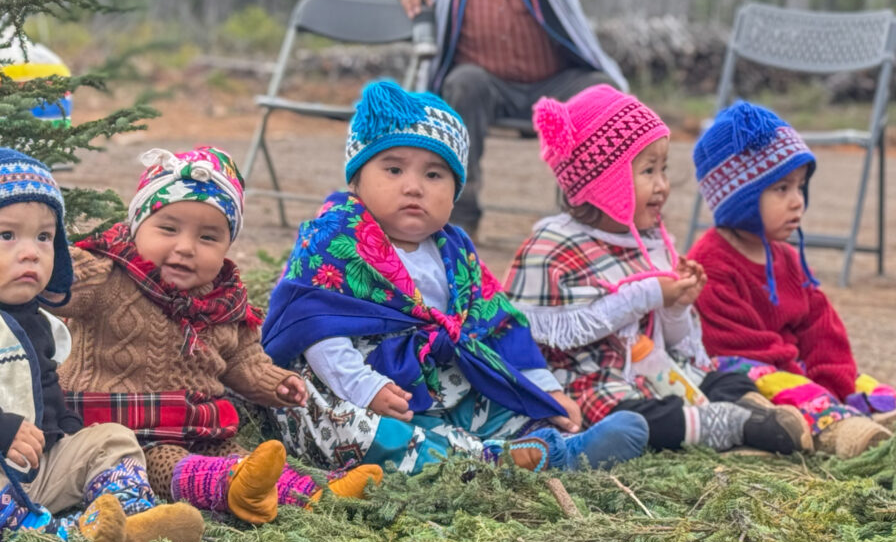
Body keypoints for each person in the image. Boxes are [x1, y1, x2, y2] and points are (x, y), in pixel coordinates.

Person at [261, 80, 649, 475]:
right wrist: (366, 387)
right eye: (393, 169)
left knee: (499, 392)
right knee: (355, 427)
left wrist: (545, 387)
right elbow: (314, 327)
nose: (413, 187)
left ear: (455, 191)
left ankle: (554, 447)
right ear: (356, 180)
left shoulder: (455, 249)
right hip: (357, 382)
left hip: (440, 382)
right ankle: (483, 461)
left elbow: (496, 323)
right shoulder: (335, 237)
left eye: (434, 176)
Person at [0, 148, 203, 542]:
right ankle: (45, 536)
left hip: (31, 470)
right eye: (7, 235)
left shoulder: (30, 315)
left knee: (111, 438)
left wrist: (65, 438)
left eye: (44, 237)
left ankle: (127, 518)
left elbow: (45, 391)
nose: (30, 251)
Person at [52, 146, 382, 525]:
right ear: (136, 226)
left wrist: (276, 384)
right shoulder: (109, 276)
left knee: (236, 453)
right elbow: (59, 284)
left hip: (198, 425)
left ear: (227, 247)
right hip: (120, 431)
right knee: (166, 462)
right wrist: (48, 255)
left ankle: (312, 493)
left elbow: (243, 359)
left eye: (208, 238)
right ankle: (227, 490)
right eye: (168, 229)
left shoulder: (224, 302)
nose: (185, 247)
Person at [503, 85, 812, 455]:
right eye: (648, 170)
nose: (663, 186)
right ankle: (733, 425)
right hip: (592, 380)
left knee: (720, 377)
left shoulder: (648, 243)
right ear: (604, 179)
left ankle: (755, 412)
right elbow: (568, 332)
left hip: (653, 370)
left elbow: (676, 339)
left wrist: (676, 305)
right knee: (642, 418)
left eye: (663, 169)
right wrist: (651, 293)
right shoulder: (553, 245)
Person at [689, 101, 894, 459]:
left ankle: (870, 410)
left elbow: (819, 323)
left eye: (800, 187)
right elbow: (732, 343)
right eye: (781, 189)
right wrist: (805, 379)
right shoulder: (710, 263)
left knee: (863, 384)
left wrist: (833, 378)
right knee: (779, 385)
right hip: (740, 372)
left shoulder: (784, 257)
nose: (798, 202)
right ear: (740, 198)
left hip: (790, 367)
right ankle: (837, 429)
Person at [393, 0, 626, 236]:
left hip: (555, 82)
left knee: (601, 93)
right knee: (464, 84)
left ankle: (585, 217)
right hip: (488, 86)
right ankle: (460, 217)